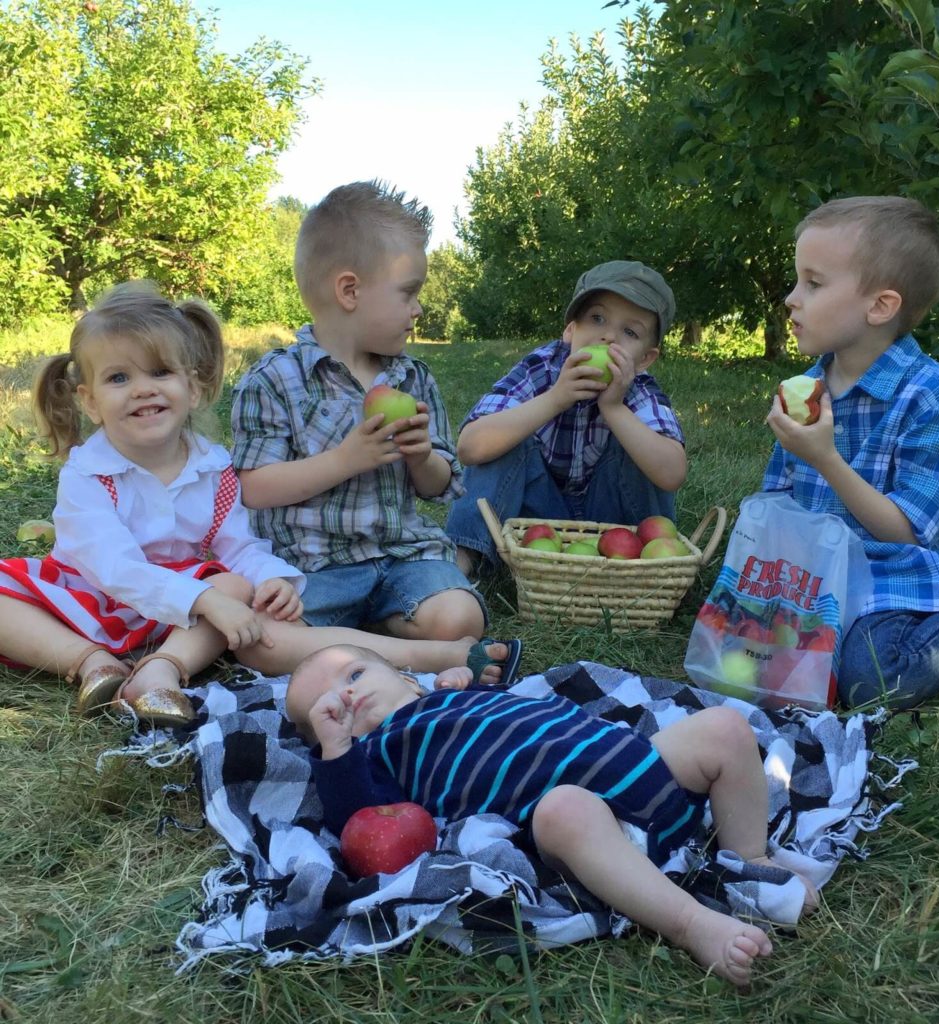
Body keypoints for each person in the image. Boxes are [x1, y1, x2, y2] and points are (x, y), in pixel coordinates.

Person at [0, 283, 520, 729]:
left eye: (159, 372)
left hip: (184, 622)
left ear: (194, 386)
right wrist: (208, 602)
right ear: (89, 400)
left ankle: (163, 670)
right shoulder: (88, 474)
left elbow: (239, 545)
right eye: (118, 379)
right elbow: (113, 568)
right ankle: (91, 663)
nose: (142, 390)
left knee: (234, 583)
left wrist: (274, 580)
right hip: (92, 599)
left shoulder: (213, 467)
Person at [286, 644, 819, 989]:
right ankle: (691, 923)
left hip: (640, 765)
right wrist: (337, 751)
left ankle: (750, 860)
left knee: (724, 726)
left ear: (407, 675)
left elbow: (492, 676)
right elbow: (359, 824)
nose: (346, 694)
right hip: (602, 827)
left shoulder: (456, 696)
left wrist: (461, 676)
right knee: (561, 810)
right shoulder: (380, 753)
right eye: (327, 708)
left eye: (354, 673)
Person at [764, 195, 939, 709]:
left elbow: (906, 530)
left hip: (895, 577)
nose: (792, 298)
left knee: (874, 679)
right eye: (798, 281)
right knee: (745, 644)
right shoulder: (806, 389)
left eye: (813, 284)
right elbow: (780, 499)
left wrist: (826, 459)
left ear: (880, 306)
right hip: (821, 578)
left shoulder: (935, 396)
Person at [231, 180, 485, 642]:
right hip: (312, 567)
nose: (419, 308)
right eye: (408, 293)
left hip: (402, 560)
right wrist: (345, 460)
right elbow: (254, 488)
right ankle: (403, 644)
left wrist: (421, 456)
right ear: (350, 290)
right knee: (262, 637)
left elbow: (439, 484)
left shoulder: (412, 379)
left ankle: (364, 629)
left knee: (462, 618)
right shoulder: (274, 379)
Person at [446, 260, 688, 576]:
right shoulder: (541, 369)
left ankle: (652, 568)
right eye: (597, 318)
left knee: (644, 446)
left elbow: (672, 473)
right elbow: (470, 447)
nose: (609, 337)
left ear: (645, 358)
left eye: (630, 331)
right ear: (570, 330)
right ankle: (461, 560)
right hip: (537, 515)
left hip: (615, 524)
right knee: (504, 438)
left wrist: (614, 409)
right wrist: (556, 398)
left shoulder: (640, 388)